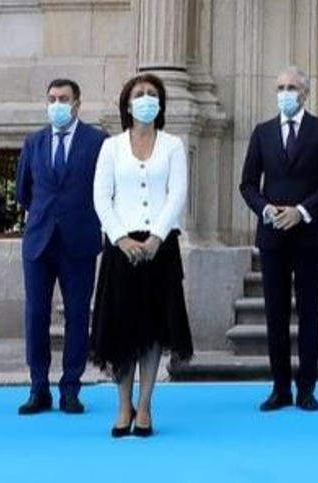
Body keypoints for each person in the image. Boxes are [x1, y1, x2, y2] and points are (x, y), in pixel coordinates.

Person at [89, 73, 193, 438]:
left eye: (152, 94)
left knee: (152, 332)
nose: (146, 99)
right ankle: (122, 404)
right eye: (139, 94)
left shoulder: (173, 145)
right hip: (121, 250)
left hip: (160, 250)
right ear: (127, 104)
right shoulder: (111, 147)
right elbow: (102, 196)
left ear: (161, 103)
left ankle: (145, 405)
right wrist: (120, 238)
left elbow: (177, 193)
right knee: (122, 331)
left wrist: (155, 238)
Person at [238, 66, 318, 412]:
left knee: (309, 312)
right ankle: (280, 387)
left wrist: (301, 210)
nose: (285, 92)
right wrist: (267, 210)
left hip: (310, 235)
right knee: (275, 313)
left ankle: (306, 388)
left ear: (305, 93)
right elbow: (249, 184)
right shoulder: (263, 132)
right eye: (280, 86)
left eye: (292, 87)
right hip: (272, 235)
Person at [14, 79, 107, 416]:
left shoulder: (97, 141)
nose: (57, 104)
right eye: (52, 98)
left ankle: (71, 387)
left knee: (78, 315)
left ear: (77, 103)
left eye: (63, 99)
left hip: (79, 241)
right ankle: (38, 386)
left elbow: (104, 188)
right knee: (36, 314)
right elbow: (23, 192)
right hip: (39, 242)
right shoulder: (34, 141)